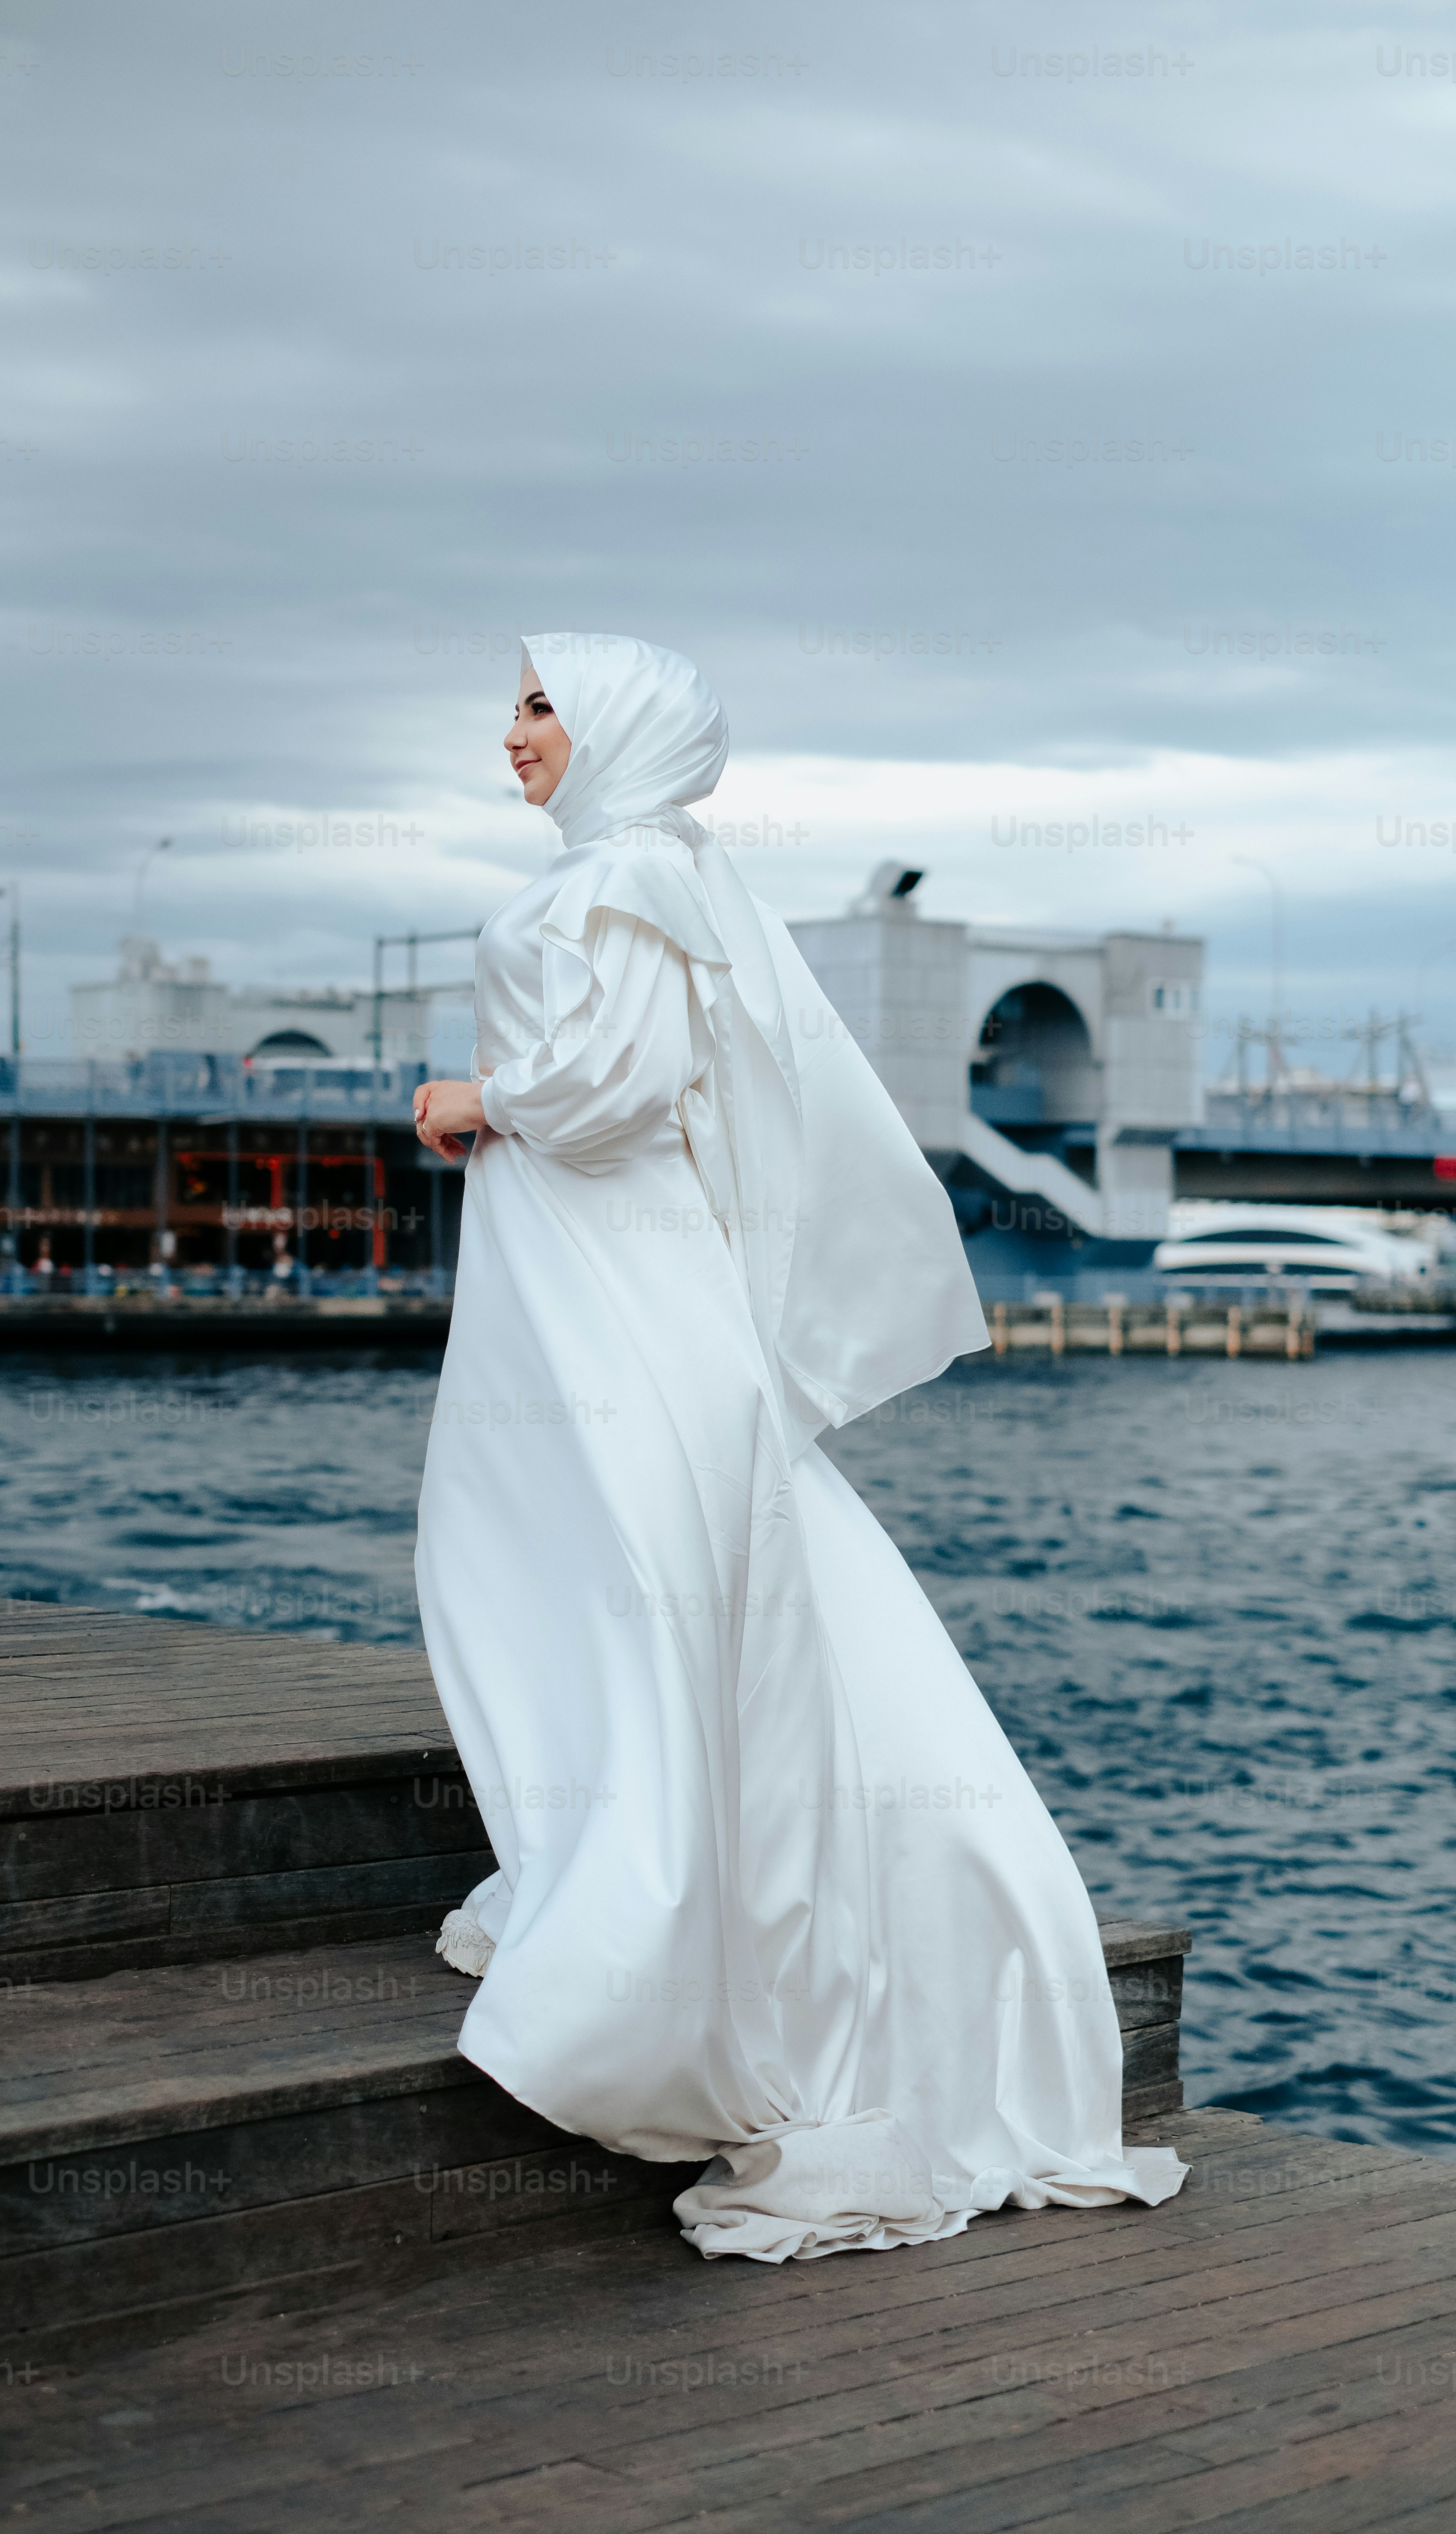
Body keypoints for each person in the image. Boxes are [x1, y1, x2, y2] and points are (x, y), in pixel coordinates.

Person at [412, 633, 1186, 2264]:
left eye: (546, 706)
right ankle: (613, 1867)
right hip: (605, 1286)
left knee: (594, 1567)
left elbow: (610, 1093)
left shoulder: (615, 882)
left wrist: (471, 1098)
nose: (515, 734)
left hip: (605, 1288)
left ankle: (654, 1921)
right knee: (630, 1574)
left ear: (621, 730)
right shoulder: (665, 877)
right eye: (519, 704)